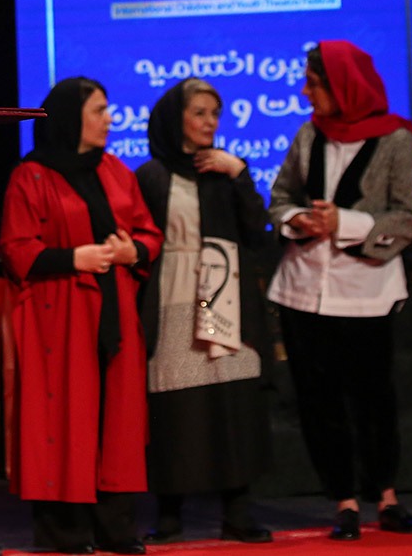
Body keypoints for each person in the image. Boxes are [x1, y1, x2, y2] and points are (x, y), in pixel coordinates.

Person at [267, 40, 412, 541]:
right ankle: (344, 501)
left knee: (373, 398)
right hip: (303, 289)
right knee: (320, 402)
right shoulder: (308, 134)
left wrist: (346, 223)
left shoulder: (395, 140)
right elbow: (280, 198)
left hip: (365, 290)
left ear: (343, 86)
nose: (304, 92)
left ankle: (387, 497)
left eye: (313, 83)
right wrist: (299, 220)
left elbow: (408, 217)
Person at [0, 77, 163, 555]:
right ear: (72, 118)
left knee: (118, 419)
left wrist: (134, 250)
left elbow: (149, 234)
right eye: (99, 110)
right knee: (65, 416)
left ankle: (117, 528)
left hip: (115, 310)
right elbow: (16, 249)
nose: (109, 119)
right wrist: (75, 257)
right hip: (61, 314)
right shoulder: (31, 175)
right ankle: (65, 532)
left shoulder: (116, 170)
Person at [134, 79, 274, 544]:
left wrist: (241, 174)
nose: (210, 122)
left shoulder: (227, 170)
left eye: (215, 114)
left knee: (232, 404)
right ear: (176, 118)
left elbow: (257, 230)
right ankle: (169, 512)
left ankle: (238, 510)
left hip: (227, 295)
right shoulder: (152, 175)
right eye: (199, 113)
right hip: (174, 292)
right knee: (176, 408)